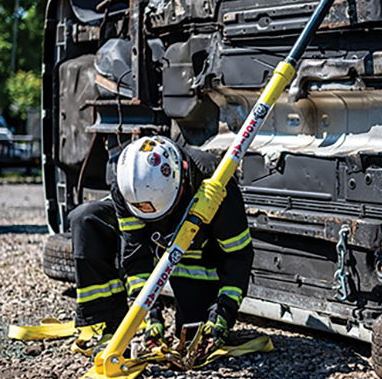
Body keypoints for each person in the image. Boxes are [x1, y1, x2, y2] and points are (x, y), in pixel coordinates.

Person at [69, 135, 253, 361]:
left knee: (193, 334)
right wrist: (149, 315)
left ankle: (205, 316)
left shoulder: (216, 180)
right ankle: (111, 324)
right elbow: (135, 255)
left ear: (181, 183)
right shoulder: (127, 186)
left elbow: (238, 256)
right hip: (157, 248)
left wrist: (223, 314)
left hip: (197, 258)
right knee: (86, 218)